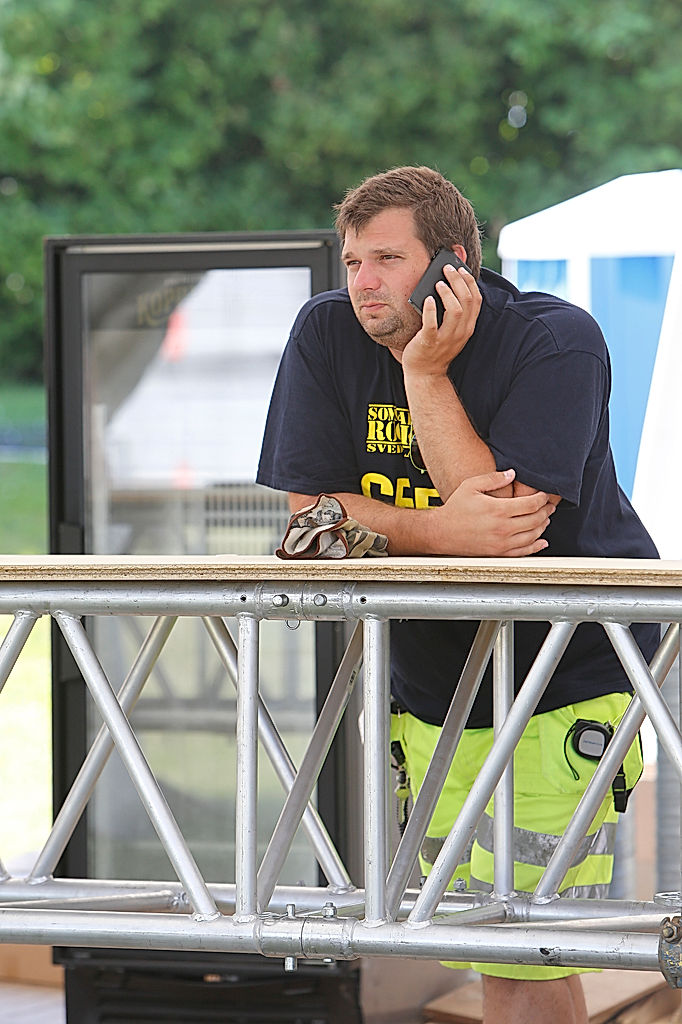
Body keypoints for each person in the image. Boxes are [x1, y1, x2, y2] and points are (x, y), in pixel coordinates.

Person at [257, 166, 658, 1024]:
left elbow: (506, 539)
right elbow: (307, 519)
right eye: (353, 259)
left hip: (562, 681)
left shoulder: (556, 340)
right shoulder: (326, 332)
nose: (362, 283)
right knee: (473, 942)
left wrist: (426, 375)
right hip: (428, 688)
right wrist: (440, 530)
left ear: (455, 265)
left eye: (387, 260)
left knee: (529, 957)